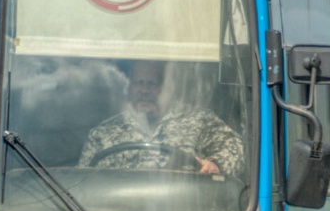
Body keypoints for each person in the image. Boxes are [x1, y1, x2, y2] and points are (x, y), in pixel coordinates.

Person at [78, 59, 244, 176]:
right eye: (138, 83)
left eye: (153, 84)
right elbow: (82, 184)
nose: (144, 90)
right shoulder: (102, 134)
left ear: (169, 88)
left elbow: (237, 149)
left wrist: (215, 165)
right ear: (128, 88)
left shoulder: (200, 120)